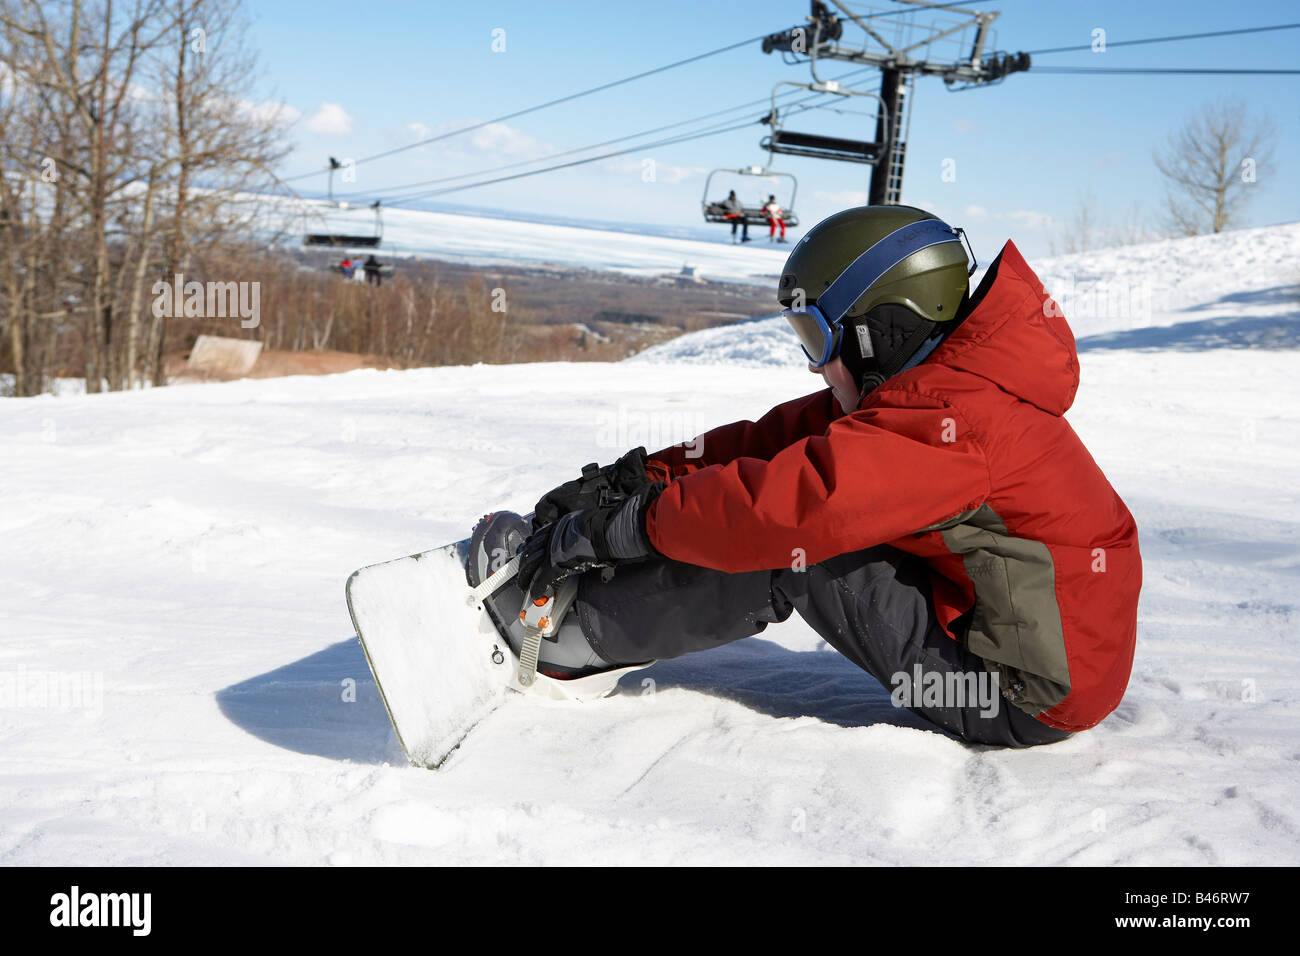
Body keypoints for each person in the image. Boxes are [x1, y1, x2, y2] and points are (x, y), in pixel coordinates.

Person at [467, 205, 1142, 748]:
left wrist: (624, 530)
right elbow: (775, 443)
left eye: (817, 340)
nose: (816, 366)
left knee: (794, 548)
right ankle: (586, 603)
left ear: (882, 331)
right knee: (769, 506)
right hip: (1003, 636)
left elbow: (781, 509)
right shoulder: (933, 391)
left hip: (1017, 692)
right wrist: (631, 482)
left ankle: (565, 645)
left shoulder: (951, 420)